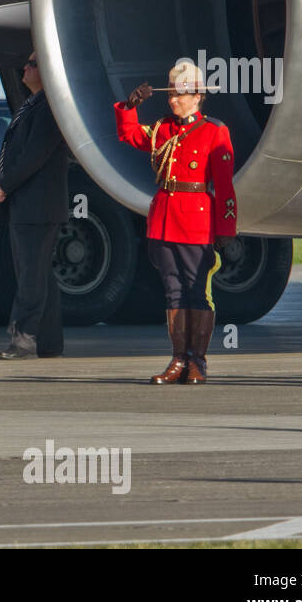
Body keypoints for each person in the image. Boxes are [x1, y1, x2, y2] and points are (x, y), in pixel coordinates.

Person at [115, 61, 236, 384]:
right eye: (171, 95)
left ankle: (198, 361)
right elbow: (128, 134)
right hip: (165, 219)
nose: (173, 100)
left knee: (197, 293)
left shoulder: (214, 131)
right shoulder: (164, 129)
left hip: (197, 221)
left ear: (197, 96)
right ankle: (178, 359)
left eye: (180, 95)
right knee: (173, 292)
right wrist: (129, 106)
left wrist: (225, 228)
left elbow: (224, 187)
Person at [0, 51, 69, 360]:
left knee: (30, 276)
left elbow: (33, 156)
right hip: (29, 205)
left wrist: (4, 184)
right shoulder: (32, 104)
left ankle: (24, 339)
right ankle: (49, 341)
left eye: (32, 64)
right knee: (39, 275)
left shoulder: (48, 107)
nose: (24, 67)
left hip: (37, 207)